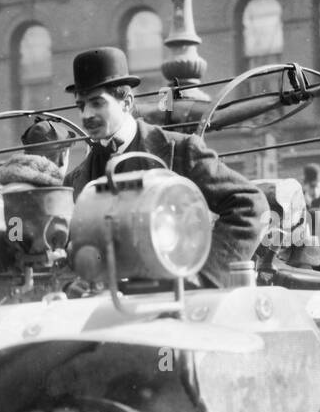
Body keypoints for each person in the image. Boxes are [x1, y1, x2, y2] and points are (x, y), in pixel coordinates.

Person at [64, 47, 266, 285]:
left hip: (176, 305)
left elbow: (251, 205)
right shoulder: (76, 181)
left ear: (127, 102)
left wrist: (203, 277)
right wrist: (74, 282)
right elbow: (71, 249)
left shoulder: (179, 151)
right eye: (81, 106)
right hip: (112, 311)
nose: (86, 114)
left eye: (97, 103)